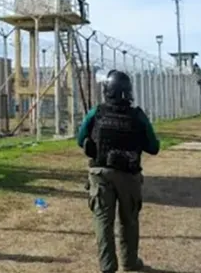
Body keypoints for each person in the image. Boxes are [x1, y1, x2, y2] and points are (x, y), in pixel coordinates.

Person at [77, 70, 160, 273]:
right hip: (128, 175)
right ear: (127, 92)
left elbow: (81, 139)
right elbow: (154, 147)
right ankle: (129, 262)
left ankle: (107, 267)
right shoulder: (137, 115)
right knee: (128, 220)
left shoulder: (96, 112)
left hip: (100, 173)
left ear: (107, 91)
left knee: (103, 221)